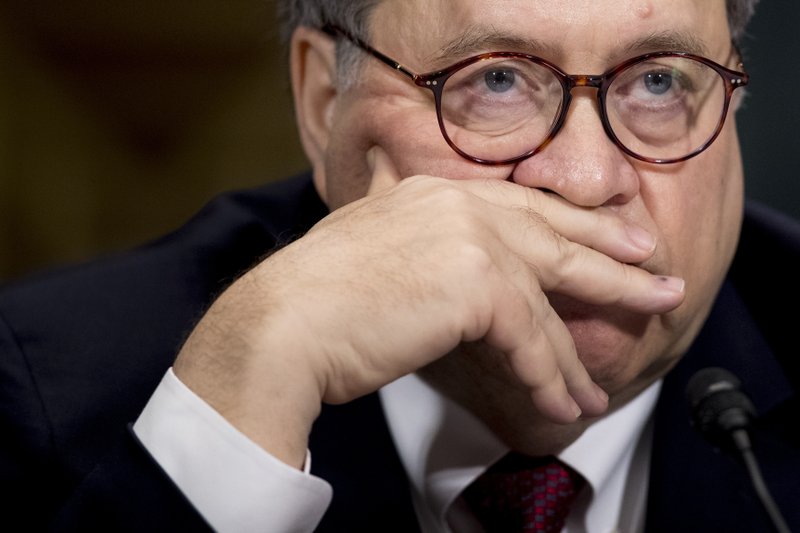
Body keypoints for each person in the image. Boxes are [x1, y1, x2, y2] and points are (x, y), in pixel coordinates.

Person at [1, 0, 798, 531]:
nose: (589, 180)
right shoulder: (44, 391)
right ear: (322, 104)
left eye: (659, 80)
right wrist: (242, 404)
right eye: (496, 79)